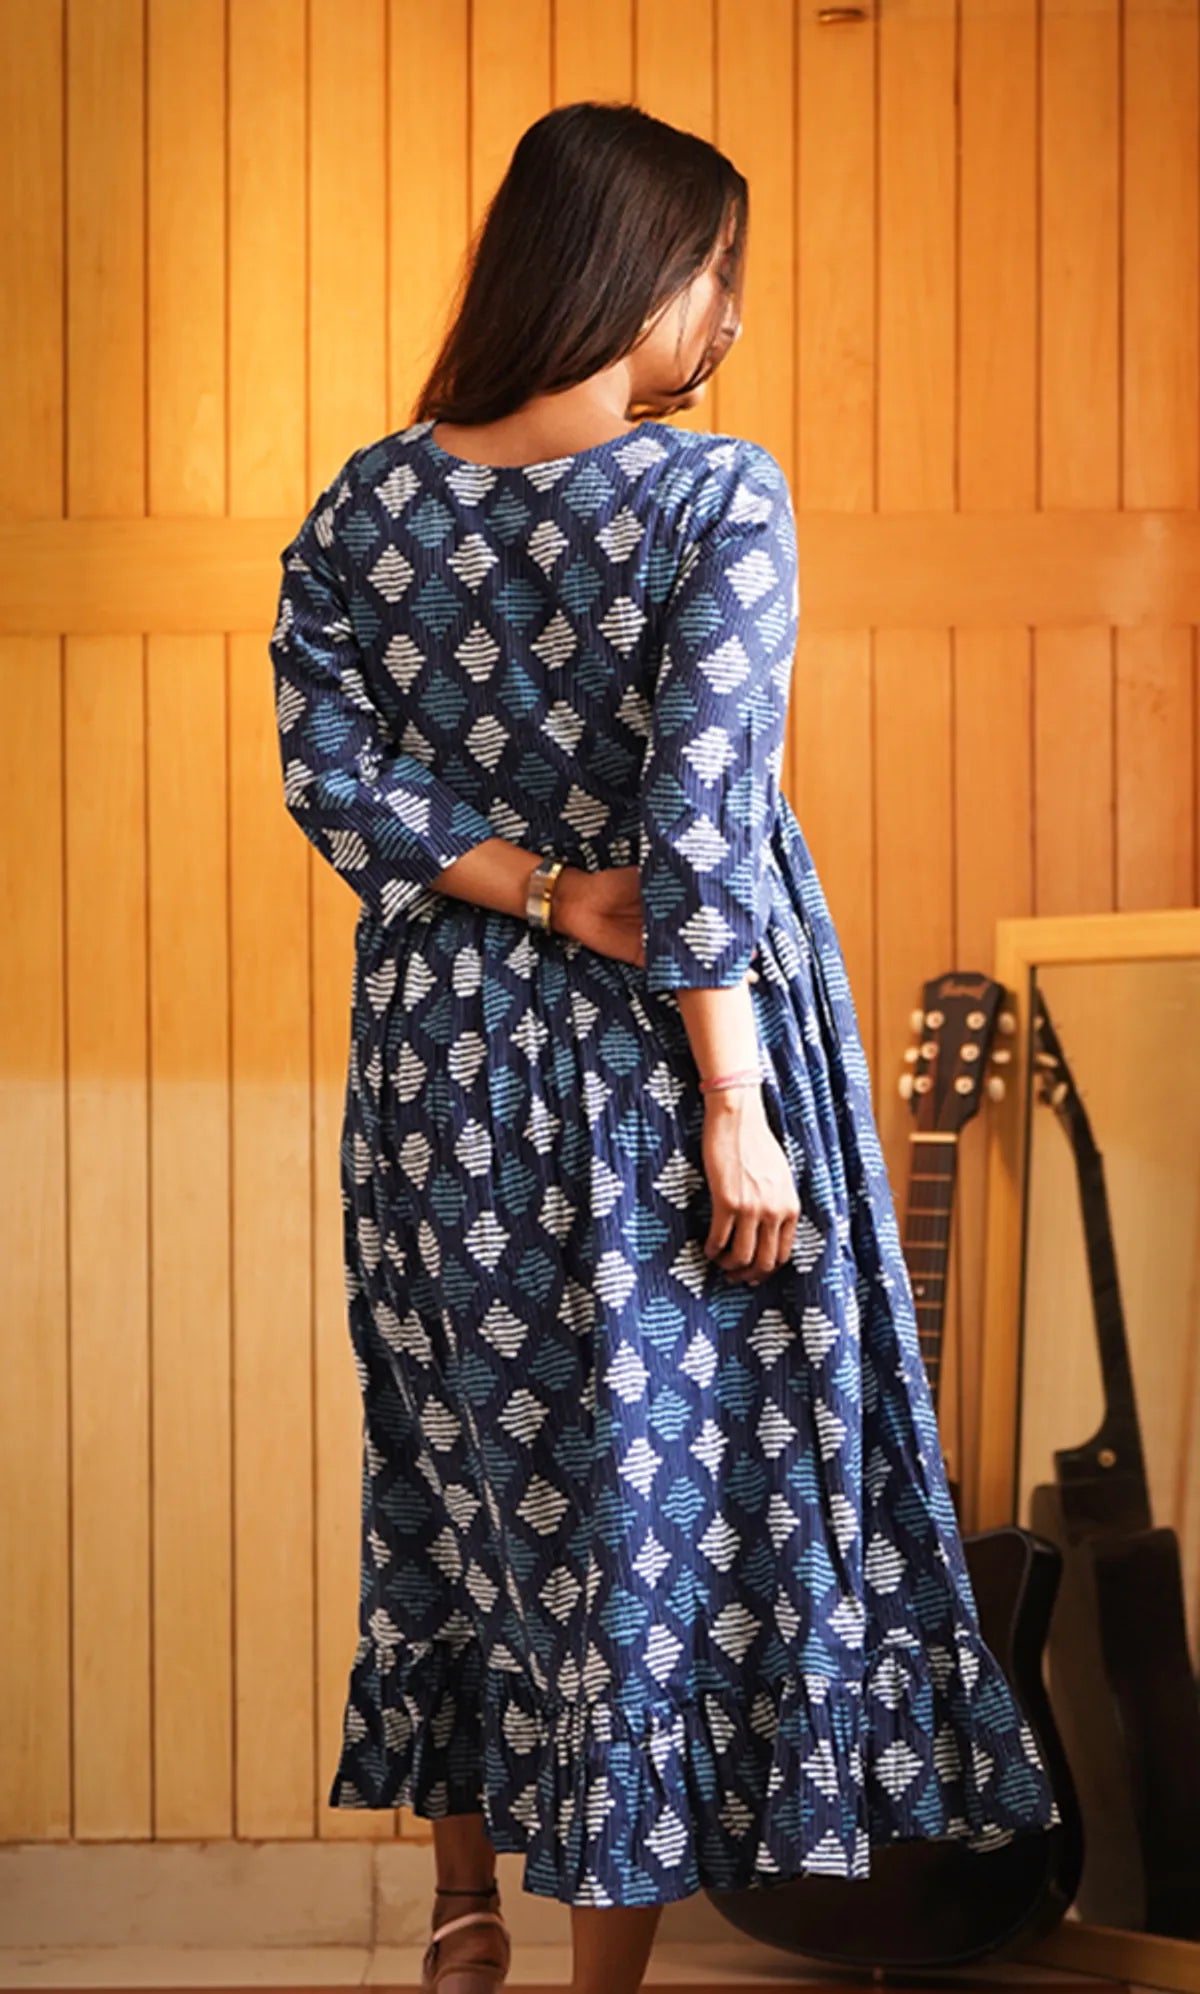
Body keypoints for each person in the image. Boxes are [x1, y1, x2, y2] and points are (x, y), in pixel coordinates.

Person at [268, 99, 1060, 1994]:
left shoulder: (367, 504)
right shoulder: (712, 496)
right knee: (640, 1491)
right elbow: (702, 827)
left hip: (445, 1062)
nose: (728, 321)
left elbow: (329, 768)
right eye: (717, 276)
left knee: (461, 1456)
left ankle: (464, 1903)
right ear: (643, 276)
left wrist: (530, 889)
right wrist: (736, 1100)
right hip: (652, 1056)